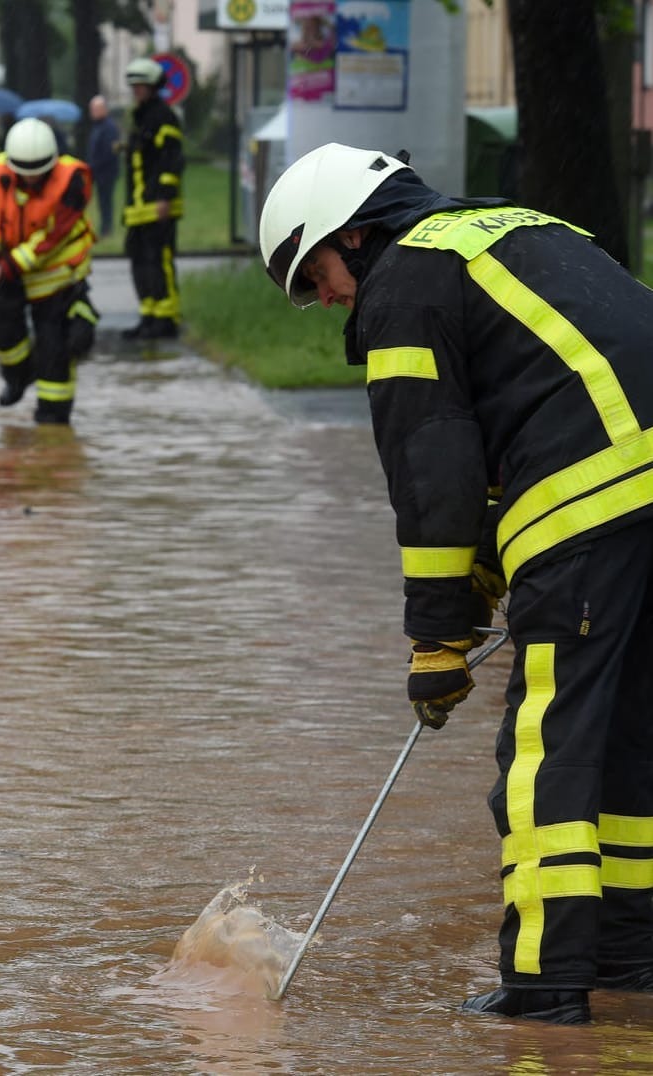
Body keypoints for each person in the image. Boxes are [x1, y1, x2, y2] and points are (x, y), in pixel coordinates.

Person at [259, 142, 653, 1026]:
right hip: (633, 499)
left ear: (353, 236)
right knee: (631, 741)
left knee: (546, 752)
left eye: (313, 272)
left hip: (589, 505)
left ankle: (544, 989)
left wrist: (437, 640)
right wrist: (480, 575)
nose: (322, 299)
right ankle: (629, 964)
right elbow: (520, 415)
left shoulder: (404, 286)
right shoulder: (511, 227)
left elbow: (433, 475)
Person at [0, 117, 99, 425]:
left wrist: (5, 267)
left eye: (37, 174)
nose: (30, 180)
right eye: (23, 174)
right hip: (8, 271)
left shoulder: (71, 181)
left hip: (56, 279)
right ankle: (18, 377)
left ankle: (53, 421)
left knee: (55, 349)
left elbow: (53, 238)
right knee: (1, 323)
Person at [121, 57, 185, 340]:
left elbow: (172, 160)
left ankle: (167, 318)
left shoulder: (163, 117)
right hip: (138, 208)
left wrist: (165, 198)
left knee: (160, 261)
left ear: (153, 87)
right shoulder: (140, 118)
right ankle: (148, 315)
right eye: (133, 86)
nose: (136, 90)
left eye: (141, 86)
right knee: (140, 262)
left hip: (158, 206)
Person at [84, 94, 121, 237]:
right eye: (92, 109)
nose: (92, 112)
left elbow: (110, 152)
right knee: (102, 201)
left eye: (96, 109)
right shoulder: (98, 127)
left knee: (106, 201)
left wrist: (94, 166)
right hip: (99, 173)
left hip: (106, 173)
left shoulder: (109, 128)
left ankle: (107, 229)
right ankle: (105, 228)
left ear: (104, 109)